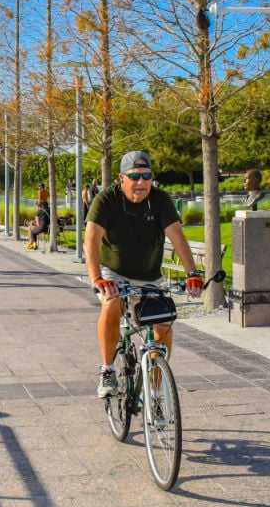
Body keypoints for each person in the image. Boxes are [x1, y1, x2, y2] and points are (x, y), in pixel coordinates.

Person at [85, 151, 204, 398]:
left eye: (146, 176)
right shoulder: (107, 199)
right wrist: (98, 278)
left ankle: (156, 392)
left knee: (164, 326)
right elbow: (91, 240)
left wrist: (192, 272)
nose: (141, 183)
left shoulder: (160, 200)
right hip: (113, 272)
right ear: (121, 178)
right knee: (111, 304)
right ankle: (107, 370)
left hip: (149, 275)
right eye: (135, 177)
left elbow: (177, 236)